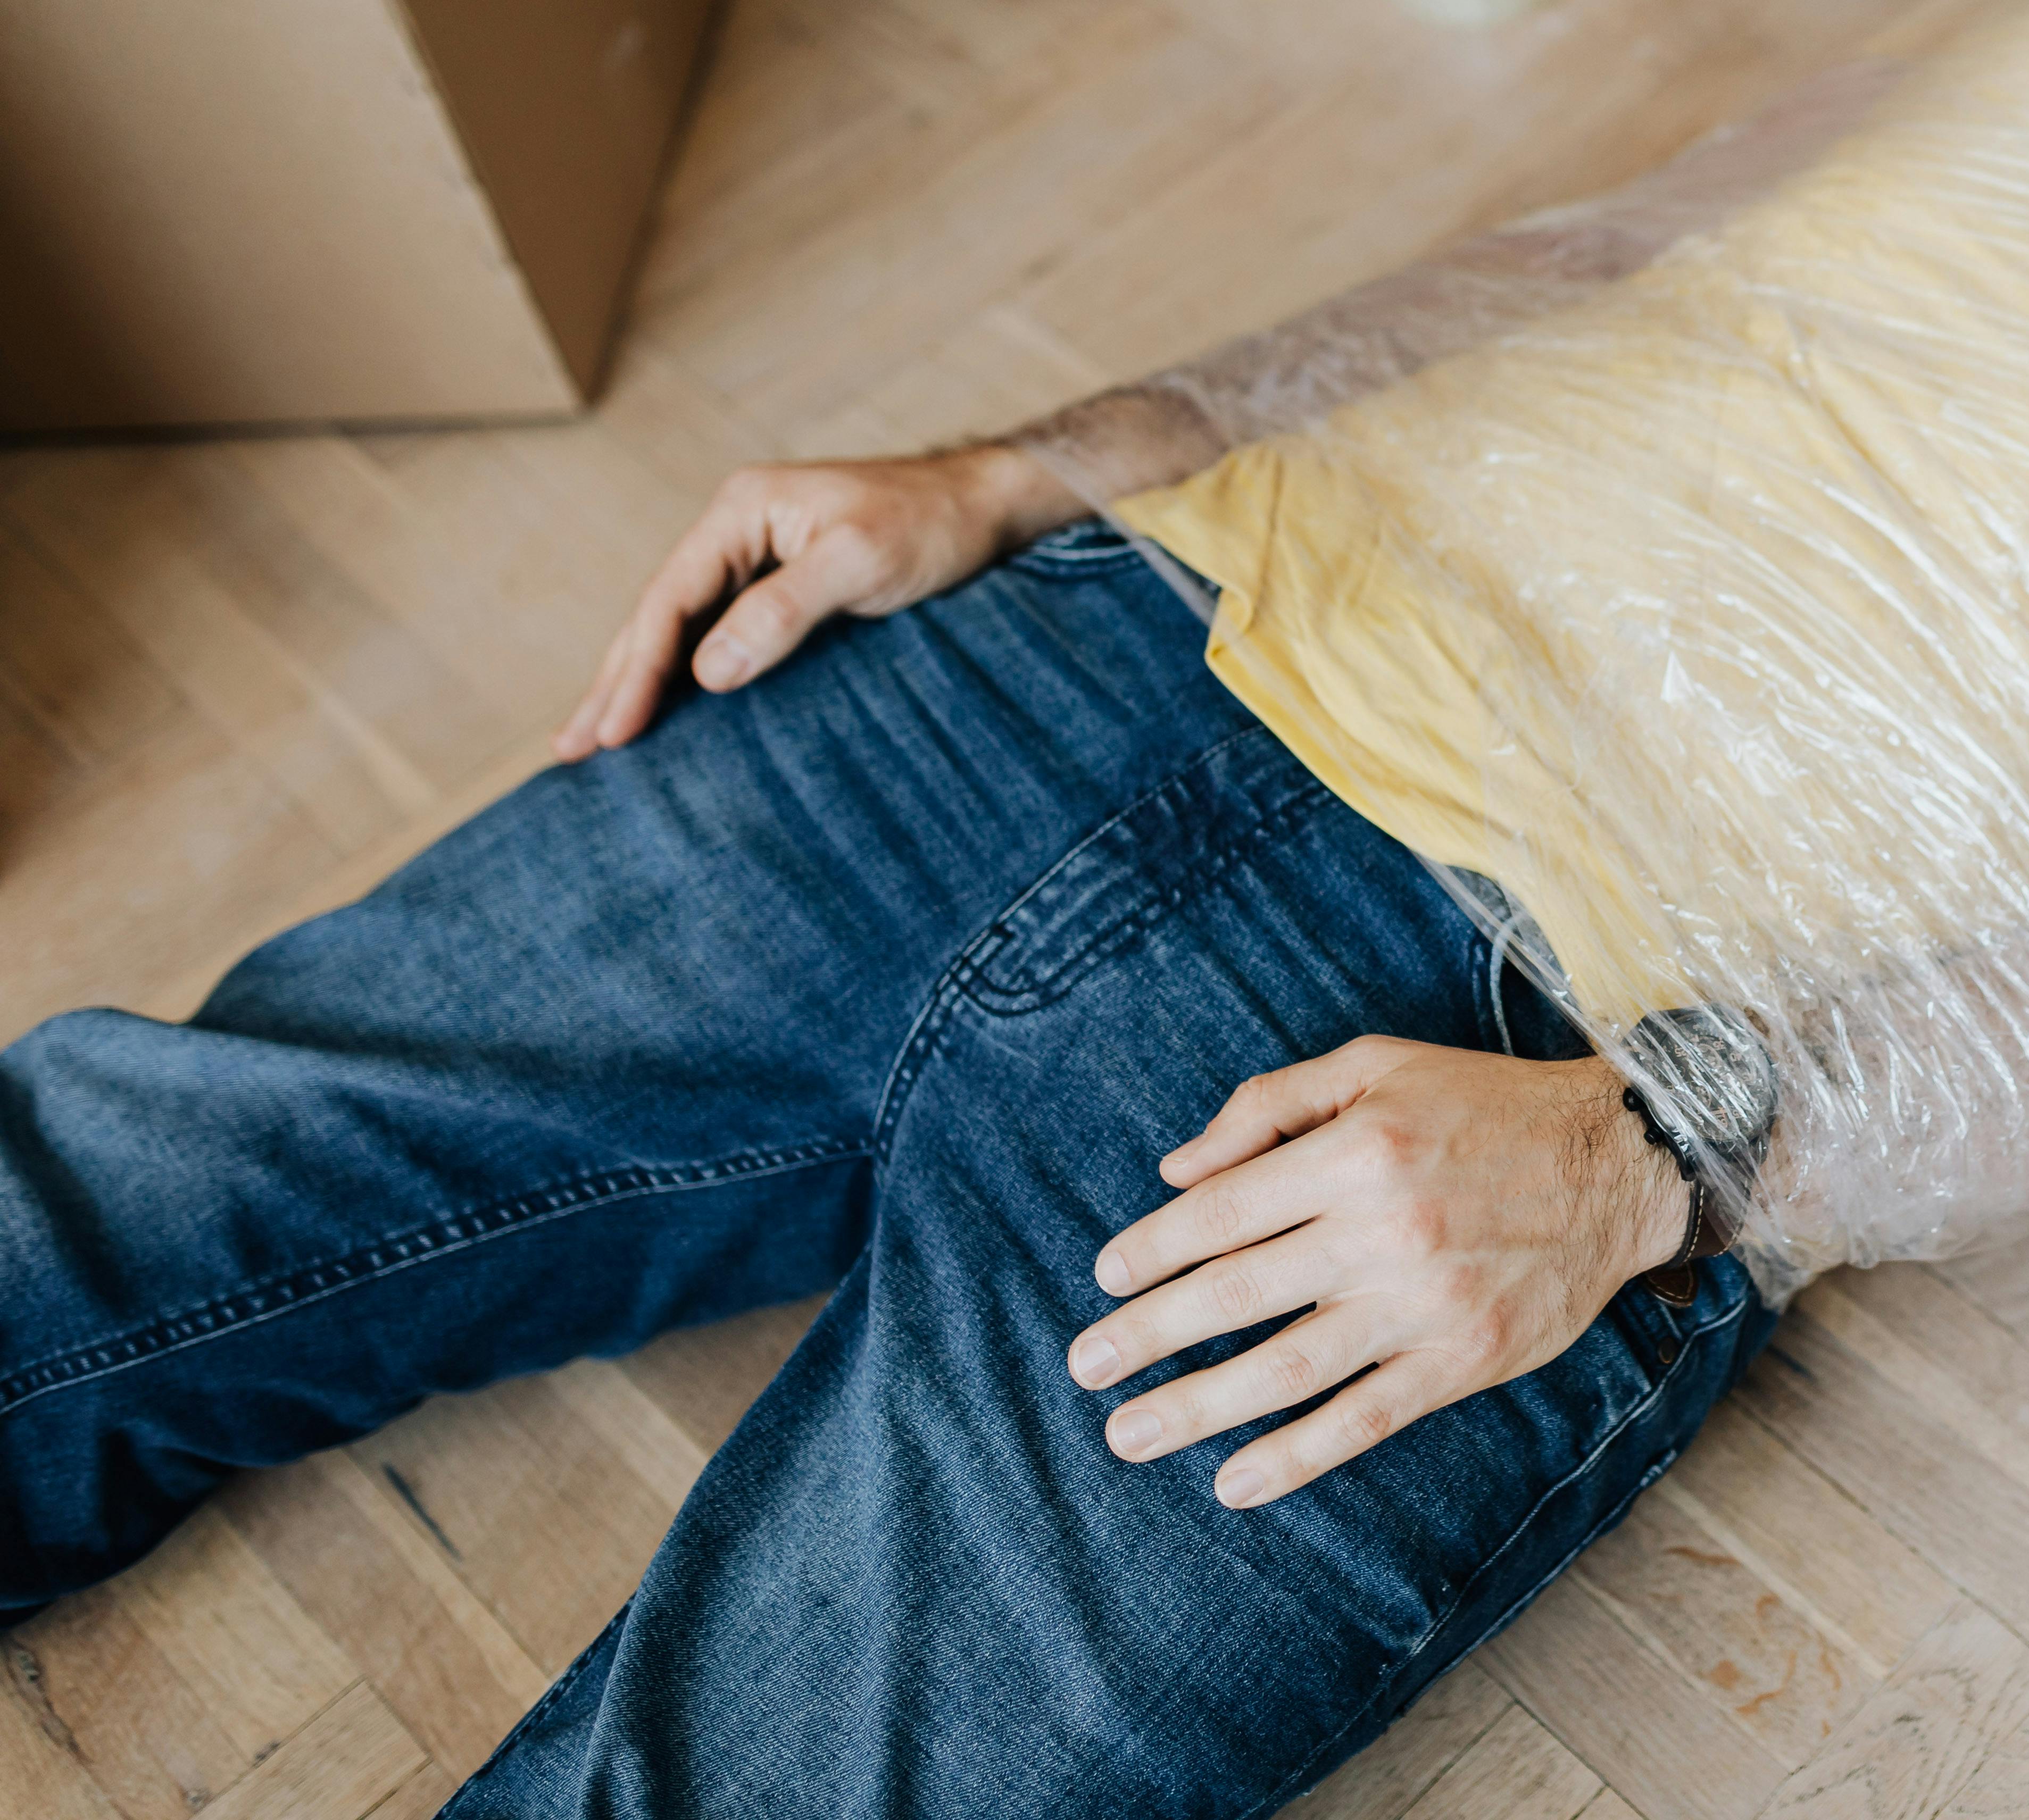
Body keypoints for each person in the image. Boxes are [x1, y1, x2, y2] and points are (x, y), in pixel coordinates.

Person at [0, 132, 1805, 1816]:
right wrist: (1020, 472)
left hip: (1547, 1019)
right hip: (1124, 631)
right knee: (154, 1189)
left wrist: (1643, 1147)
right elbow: (1590, 280)